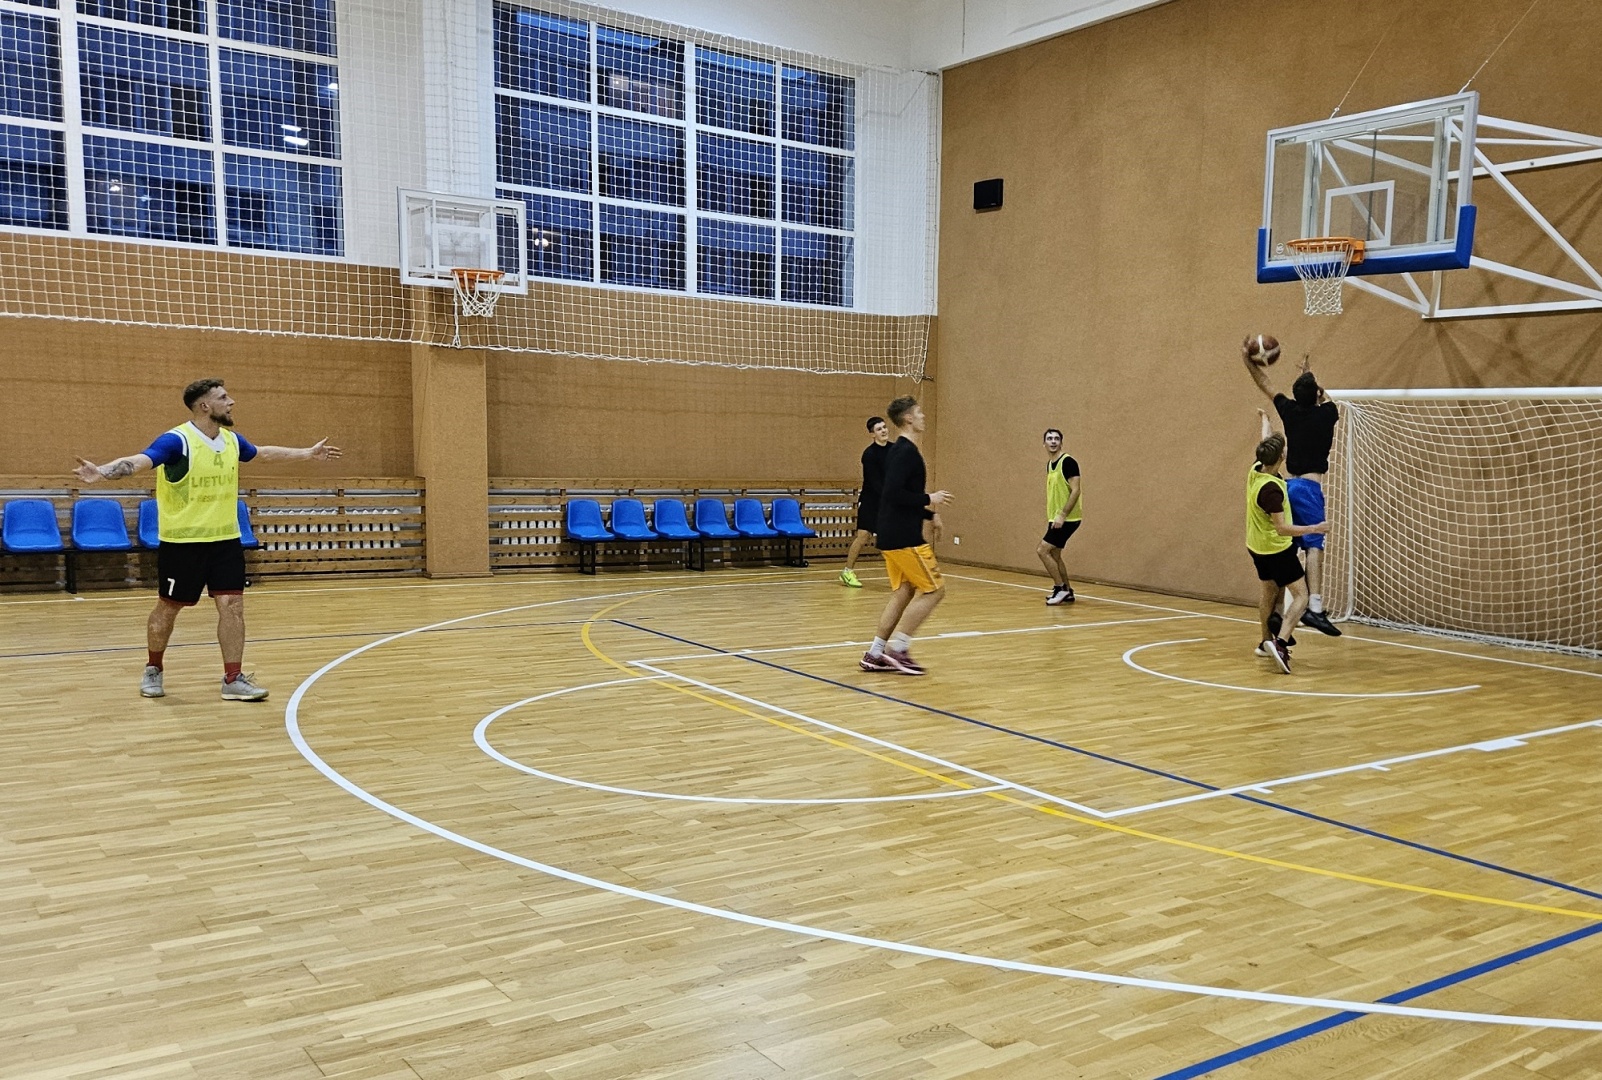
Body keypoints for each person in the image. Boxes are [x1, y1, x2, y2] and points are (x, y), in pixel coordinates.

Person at [73, 379, 342, 701]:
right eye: (223, 397)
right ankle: (154, 668)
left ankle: (233, 678)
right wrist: (103, 471)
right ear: (204, 406)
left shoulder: (231, 440)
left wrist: (307, 453)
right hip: (182, 543)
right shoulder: (177, 441)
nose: (232, 402)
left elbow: (263, 454)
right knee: (168, 608)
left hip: (226, 540)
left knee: (233, 605)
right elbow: (142, 460)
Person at [1243, 346, 1342, 636]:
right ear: (1317, 394)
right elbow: (1326, 398)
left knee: (1288, 548)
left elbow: (1265, 383)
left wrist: (1248, 362)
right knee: (1314, 544)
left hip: (1288, 487)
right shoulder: (1328, 413)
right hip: (1309, 488)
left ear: (1296, 396)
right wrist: (1312, 379)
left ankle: (1276, 615)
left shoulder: (1289, 411)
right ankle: (1315, 607)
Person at [859, 396, 952, 676]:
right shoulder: (905, 453)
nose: (923, 417)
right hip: (904, 538)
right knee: (934, 590)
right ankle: (898, 649)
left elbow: (897, 497)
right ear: (908, 418)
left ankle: (875, 653)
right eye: (919, 413)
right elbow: (892, 494)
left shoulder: (900, 450)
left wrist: (928, 515)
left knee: (903, 592)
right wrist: (929, 499)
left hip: (891, 535)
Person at [1247, 411, 1328, 674]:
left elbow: (1265, 443)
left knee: (1268, 593)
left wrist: (1266, 422)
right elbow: (1282, 528)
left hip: (1256, 546)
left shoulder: (1256, 470)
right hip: (1275, 550)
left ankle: (1264, 642)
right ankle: (1281, 643)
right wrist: (1315, 528)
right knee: (1302, 596)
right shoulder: (1272, 491)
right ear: (1281, 457)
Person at [840, 415, 891, 588]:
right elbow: (875, 483)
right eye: (879, 429)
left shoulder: (895, 450)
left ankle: (901, 576)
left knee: (891, 539)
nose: (883, 431)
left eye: (884, 427)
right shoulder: (869, 454)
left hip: (888, 502)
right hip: (871, 501)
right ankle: (847, 572)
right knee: (863, 536)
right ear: (872, 434)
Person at [1037, 427, 1082, 605]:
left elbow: (1076, 490)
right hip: (1055, 518)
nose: (1053, 441)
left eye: (1056, 438)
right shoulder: (1050, 464)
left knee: (1042, 550)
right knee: (1054, 554)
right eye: (1049, 438)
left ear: (1061, 442)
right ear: (1044, 443)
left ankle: (1060, 588)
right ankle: (1068, 591)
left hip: (1068, 518)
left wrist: (1063, 514)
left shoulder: (1068, 462)